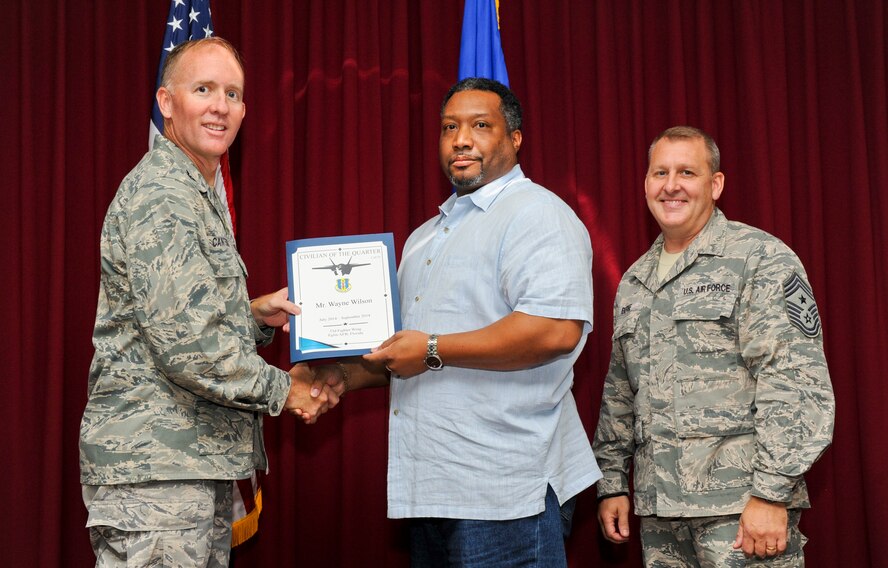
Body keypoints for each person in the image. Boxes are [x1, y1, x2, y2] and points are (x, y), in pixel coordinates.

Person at [306, 77, 601, 566]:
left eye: (480, 125)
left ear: (515, 139)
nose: (461, 139)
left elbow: (554, 330)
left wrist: (430, 349)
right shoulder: (425, 236)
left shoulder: (538, 214)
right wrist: (336, 376)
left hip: (506, 490)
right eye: (449, 127)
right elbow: (405, 351)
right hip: (431, 486)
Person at [79, 38, 336, 567]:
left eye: (233, 93)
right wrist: (286, 389)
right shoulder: (164, 196)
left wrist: (252, 314)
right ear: (166, 102)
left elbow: (171, 318)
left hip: (185, 465)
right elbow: (191, 346)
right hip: (157, 475)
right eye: (204, 89)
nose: (221, 106)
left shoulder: (194, 190)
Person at [593, 126, 835, 566]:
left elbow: (794, 379)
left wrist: (771, 493)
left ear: (715, 184)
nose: (671, 185)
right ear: (646, 183)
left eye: (687, 172)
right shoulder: (634, 280)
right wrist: (612, 481)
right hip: (659, 510)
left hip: (740, 509)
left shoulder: (758, 257)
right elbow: (620, 391)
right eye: (659, 172)